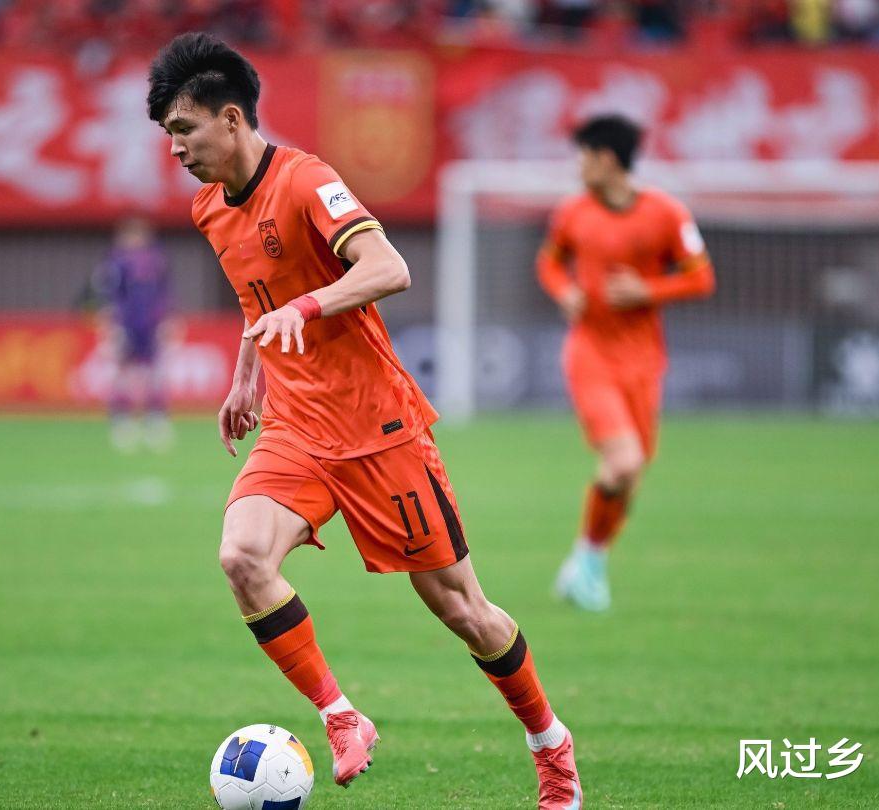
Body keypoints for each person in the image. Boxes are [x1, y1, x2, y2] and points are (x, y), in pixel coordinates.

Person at [148, 32, 582, 808]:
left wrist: (308, 307)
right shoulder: (209, 208)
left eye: (185, 129)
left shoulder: (307, 181)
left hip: (379, 431)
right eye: (167, 134)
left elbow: (389, 267)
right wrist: (246, 376)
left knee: (462, 609)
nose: (175, 148)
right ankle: (341, 715)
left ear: (232, 118)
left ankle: (551, 745)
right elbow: (258, 297)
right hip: (294, 427)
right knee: (243, 557)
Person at [536, 114, 716, 613]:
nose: (578, 166)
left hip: (643, 358)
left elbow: (701, 278)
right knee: (623, 462)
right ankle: (587, 566)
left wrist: (647, 290)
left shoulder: (666, 214)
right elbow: (549, 262)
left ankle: (586, 562)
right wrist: (564, 290)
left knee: (629, 477)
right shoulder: (572, 213)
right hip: (590, 352)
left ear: (607, 159)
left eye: (584, 156)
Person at [91, 217, 173, 452]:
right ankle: (121, 419)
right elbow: (108, 295)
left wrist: (167, 320)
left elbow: (164, 294)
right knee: (121, 373)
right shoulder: (115, 262)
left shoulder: (156, 260)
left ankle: (155, 419)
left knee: (155, 373)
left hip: (151, 325)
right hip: (125, 324)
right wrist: (110, 323)